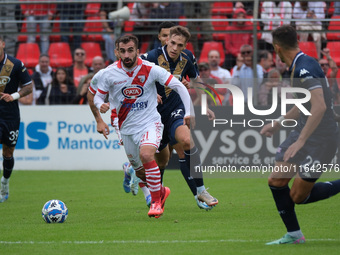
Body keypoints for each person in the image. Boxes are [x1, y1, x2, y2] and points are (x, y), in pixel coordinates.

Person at [93, 34, 194, 218]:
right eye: (122, 51)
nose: (127, 55)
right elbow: (97, 96)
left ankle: (155, 203)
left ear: (138, 51)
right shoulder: (108, 74)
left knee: (147, 154)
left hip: (150, 123)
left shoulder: (151, 69)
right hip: (126, 129)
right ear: (116, 52)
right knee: (140, 174)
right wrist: (101, 105)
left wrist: (187, 112)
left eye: (130, 50)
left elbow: (179, 86)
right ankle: (161, 191)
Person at [260, 25, 340, 245]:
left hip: (322, 139)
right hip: (305, 131)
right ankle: (294, 235)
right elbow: (304, 104)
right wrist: (277, 123)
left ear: (277, 47)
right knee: (276, 180)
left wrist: (302, 140)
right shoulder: (299, 65)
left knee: (298, 196)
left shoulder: (304, 68)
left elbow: (320, 106)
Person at [141, 26, 218, 210]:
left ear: (185, 46)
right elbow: (136, 78)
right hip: (154, 116)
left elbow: (197, 81)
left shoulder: (187, 58)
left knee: (187, 141)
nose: (175, 47)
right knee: (161, 161)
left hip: (176, 110)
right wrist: (148, 93)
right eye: (172, 43)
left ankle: (200, 190)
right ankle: (156, 198)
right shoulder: (151, 57)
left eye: (179, 45)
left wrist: (206, 105)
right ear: (166, 40)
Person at [0, 35, 33, 202]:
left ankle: (5, 182)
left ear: (3, 44)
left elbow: (29, 86)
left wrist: (13, 96)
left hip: (10, 115)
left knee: (8, 152)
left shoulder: (15, 64)